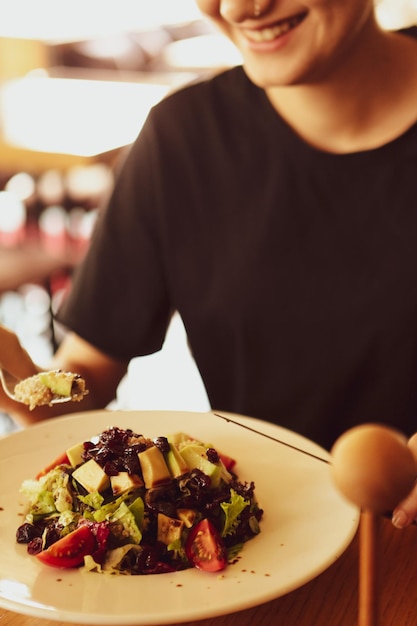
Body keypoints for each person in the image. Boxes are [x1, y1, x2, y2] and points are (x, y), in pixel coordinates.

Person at [2, 0, 417, 523]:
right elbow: (86, 378)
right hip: (267, 541)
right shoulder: (182, 138)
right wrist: (24, 386)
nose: (242, 6)